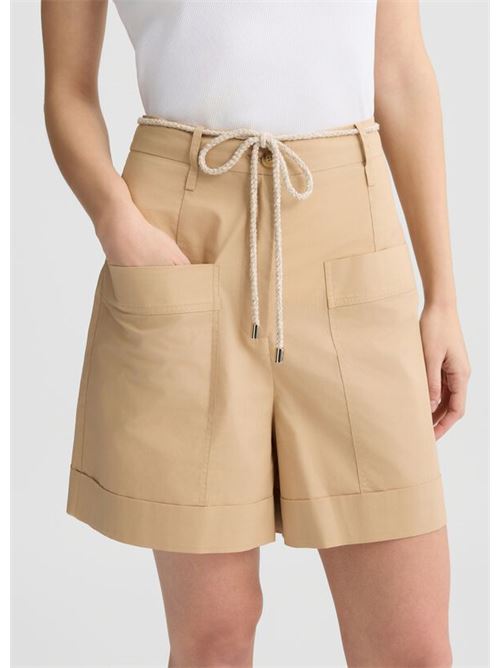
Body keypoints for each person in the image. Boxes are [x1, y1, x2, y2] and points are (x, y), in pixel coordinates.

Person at [42, 1, 471, 666]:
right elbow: (67, 87)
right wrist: (116, 222)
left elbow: (401, 68)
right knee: (214, 638)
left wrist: (443, 296)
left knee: (410, 646)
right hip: (184, 235)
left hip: (349, 235)